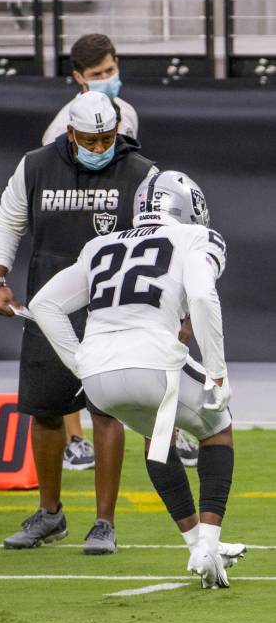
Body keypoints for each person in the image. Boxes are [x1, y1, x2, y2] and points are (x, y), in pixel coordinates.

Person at [29, 171, 246, 588]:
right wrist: (217, 373)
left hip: (97, 376)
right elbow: (202, 296)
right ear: (189, 208)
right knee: (218, 428)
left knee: (158, 435)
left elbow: (43, 304)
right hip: (152, 363)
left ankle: (197, 546)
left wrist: (81, 364)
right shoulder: (197, 238)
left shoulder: (99, 244)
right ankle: (209, 543)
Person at [0, 90, 156, 553]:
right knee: (45, 410)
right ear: (69, 134)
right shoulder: (36, 165)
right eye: (90, 140)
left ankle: (104, 522)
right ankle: (50, 514)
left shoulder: (142, 173)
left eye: (107, 139)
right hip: (48, 301)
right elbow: (8, 221)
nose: (100, 148)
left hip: (114, 305)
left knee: (107, 410)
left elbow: (166, 240)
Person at [42, 33, 199, 471]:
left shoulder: (124, 112)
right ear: (78, 78)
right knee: (72, 337)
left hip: (121, 238)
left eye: (111, 71)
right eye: (98, 75)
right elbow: (57, 194)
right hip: (79, 243)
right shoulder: (59, 130)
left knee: (151, 330)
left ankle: (163, 426)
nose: (109, 80)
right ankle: (76, 439)